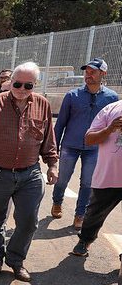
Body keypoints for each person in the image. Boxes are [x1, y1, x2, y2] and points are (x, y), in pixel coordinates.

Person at [0, 62, 59, 282]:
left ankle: (16, 260)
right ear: (10, 81)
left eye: (28, 85)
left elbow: (48, 139)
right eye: (17, 84)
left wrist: (53, 164)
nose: (22, 89)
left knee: (28, 221)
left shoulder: (42, 105)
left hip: (30, 174)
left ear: (34, 85)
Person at [51, 58, 119, 230]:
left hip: (95, 148)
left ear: (103, 73)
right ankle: (57, 202)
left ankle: (80, 214)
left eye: (93, 71)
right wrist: (54, 148)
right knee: (63, 179)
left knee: (87, 183)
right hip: (70, 145)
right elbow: (60, 124)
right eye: (86, 71)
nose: (88, 75)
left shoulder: (112, 97)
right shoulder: (72, 95)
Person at [69, 98, 122, 257]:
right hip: (109, 176)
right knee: (95, 213)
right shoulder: (111, 110)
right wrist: (110, 129)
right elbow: (89, 139)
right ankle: (85, 240)